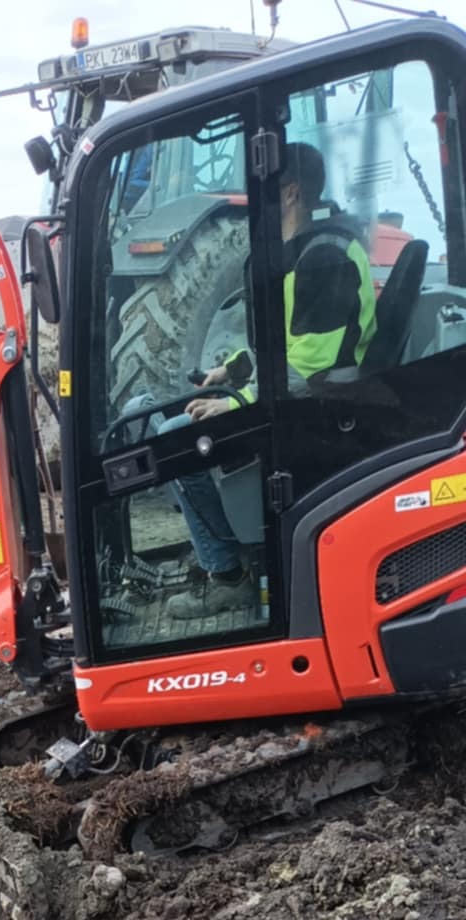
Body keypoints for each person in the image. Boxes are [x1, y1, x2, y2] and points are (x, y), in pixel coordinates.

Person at [163, 139, 378, 621]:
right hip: (298, 397)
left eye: (263, 190)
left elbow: (312, 369)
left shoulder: (324, 259)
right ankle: (224, 556)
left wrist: (239, 402)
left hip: (315, 410)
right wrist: (235, 369)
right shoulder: (307, 253)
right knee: (168, 416)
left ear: (290, 193)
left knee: (174, 442)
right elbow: (288, 345)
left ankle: (228, 577)